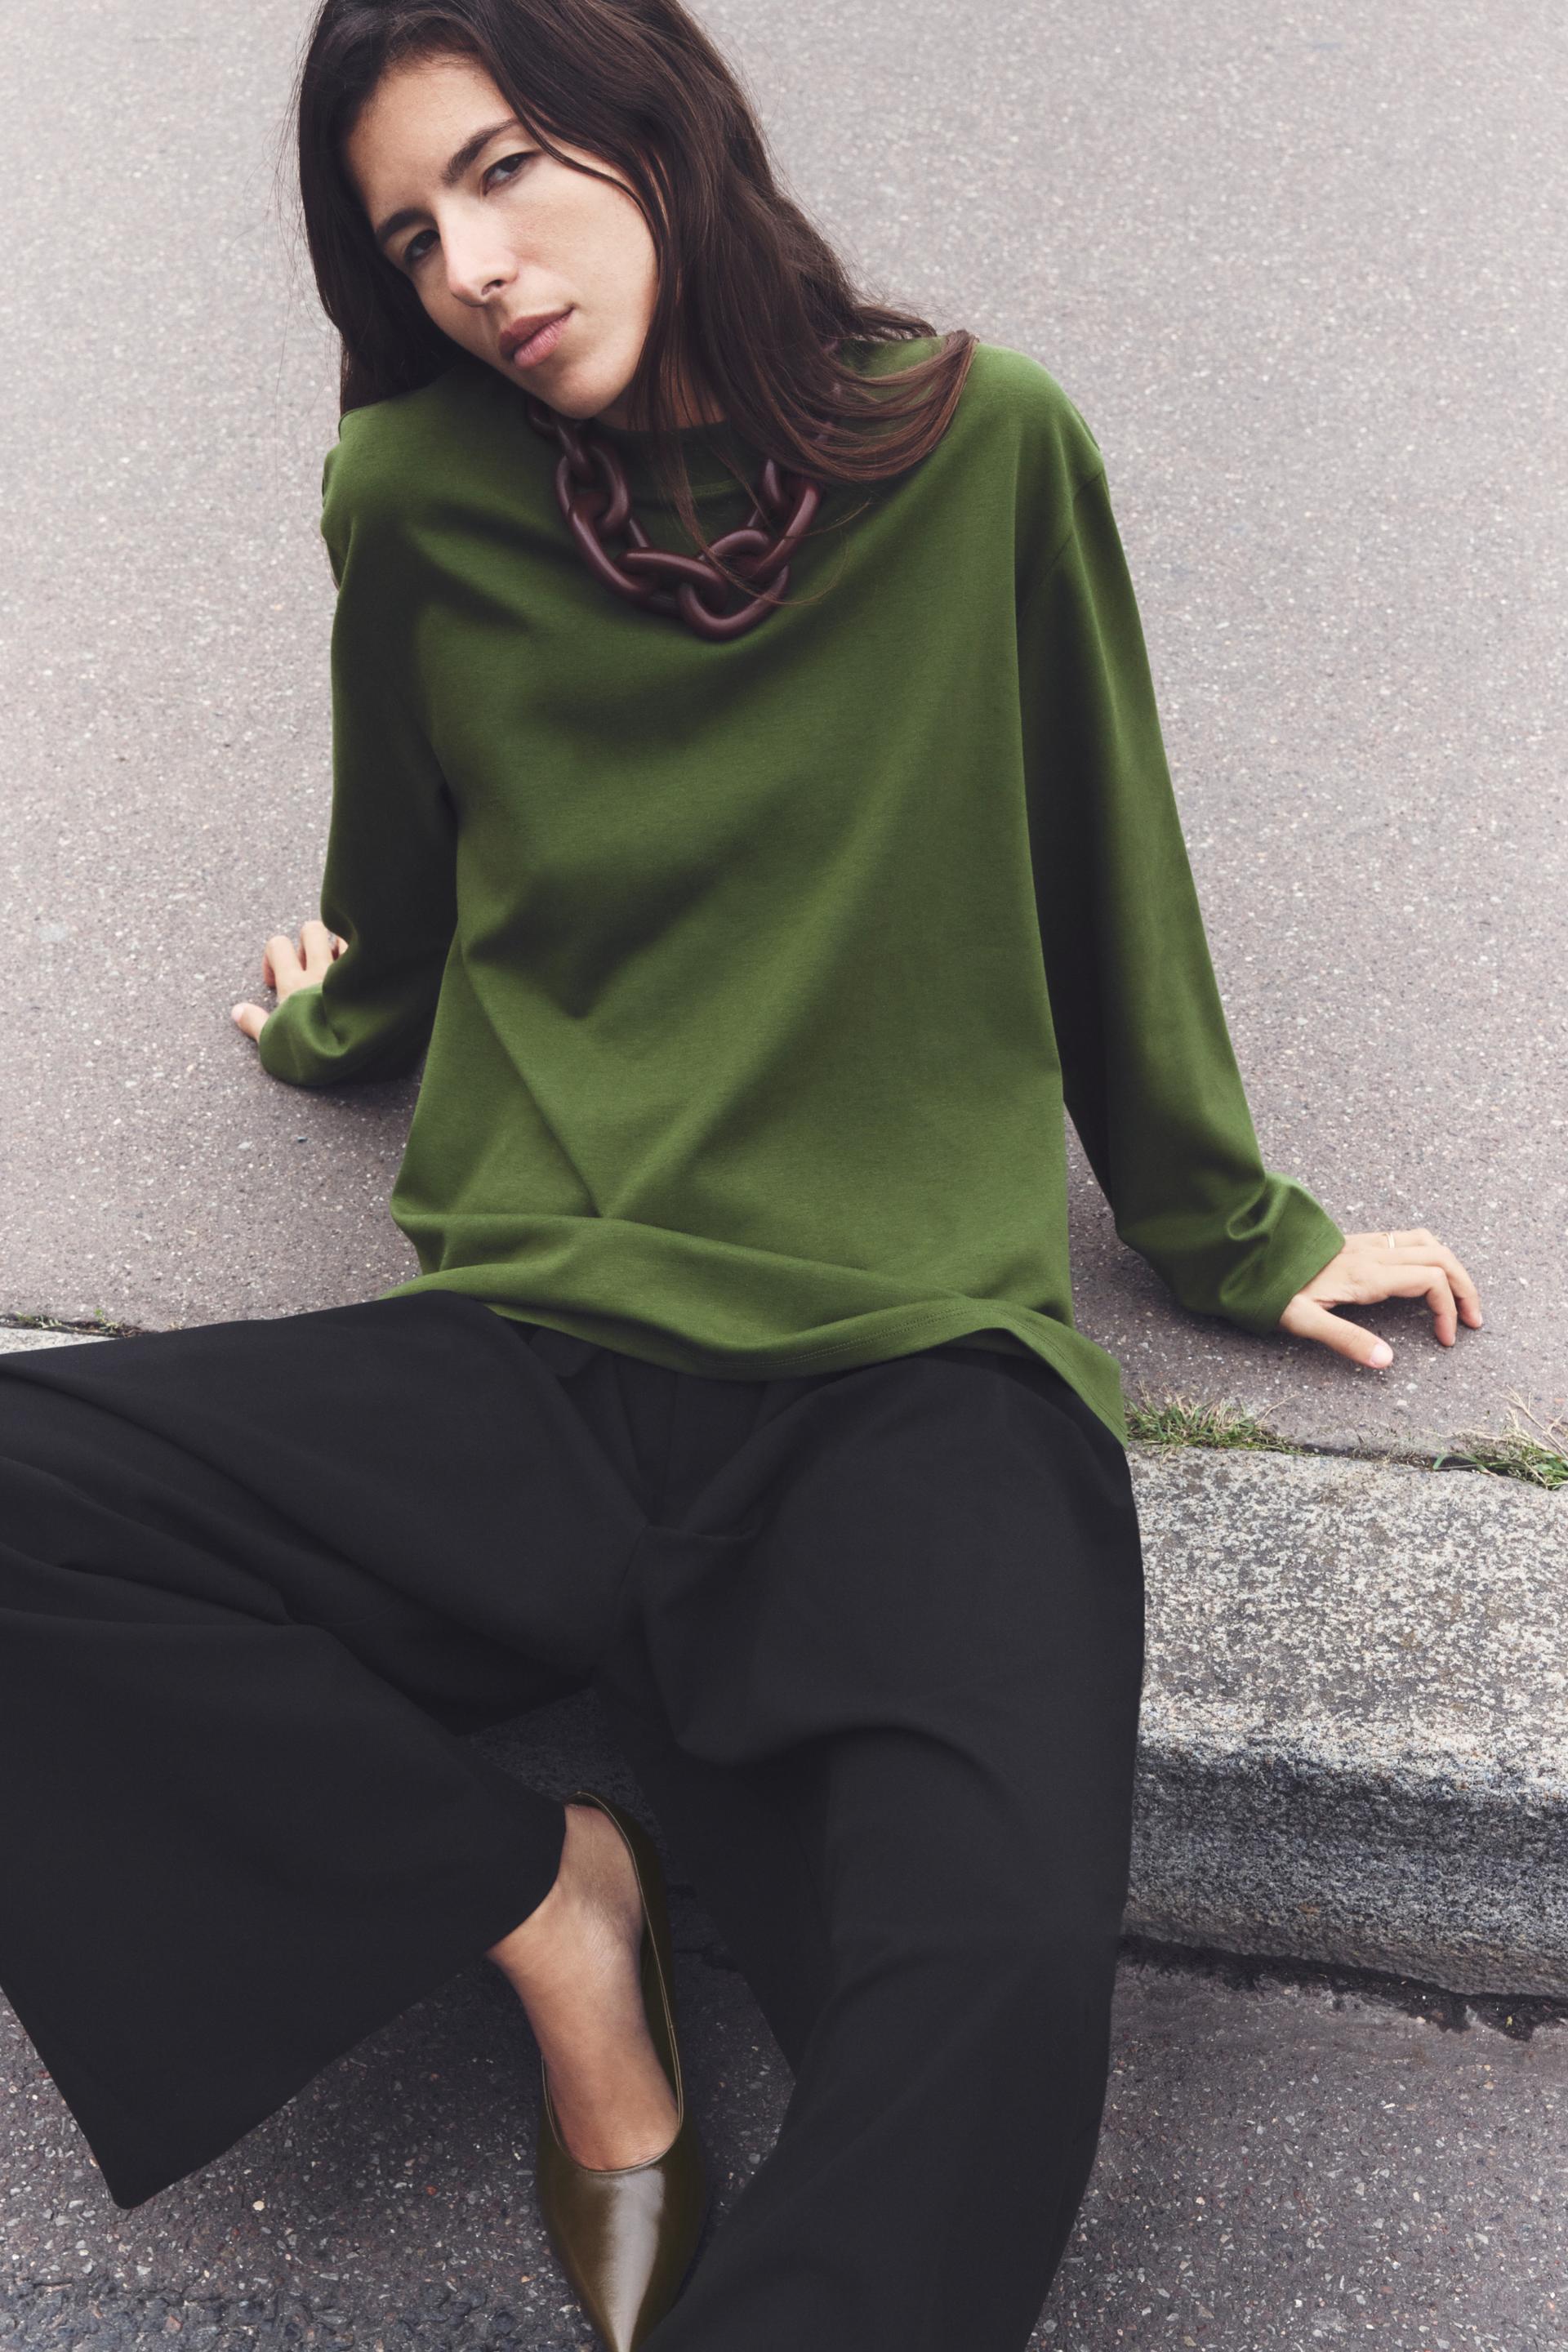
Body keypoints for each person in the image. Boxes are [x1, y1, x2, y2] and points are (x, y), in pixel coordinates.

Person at [0, 2, 1482, 2347]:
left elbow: (1102, 857)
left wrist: (1233, 1226)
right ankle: (551, 1908)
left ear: (655, 121)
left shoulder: (982, 447)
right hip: (537, 1356)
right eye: (410, 236)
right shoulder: (416, 492)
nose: (474, 268)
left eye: (503, 169)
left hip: (915, 1379)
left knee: (992, 1995)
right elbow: (404, 862)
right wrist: (331, 1017)